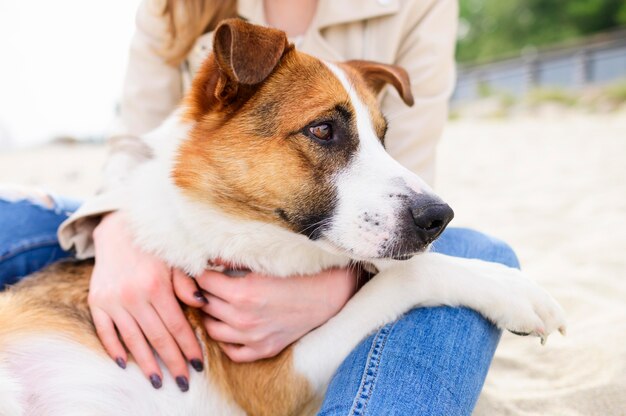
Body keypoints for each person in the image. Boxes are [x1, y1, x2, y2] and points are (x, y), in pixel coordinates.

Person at [0, 0, 521, 414]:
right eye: (325, 132)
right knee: (15, 215)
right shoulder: (177, 8)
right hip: (163, 214)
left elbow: (406, 188)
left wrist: (340, 286)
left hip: (329, 246)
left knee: (482, 255)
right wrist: (117, 238)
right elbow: (133, 143)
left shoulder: (419, 6)